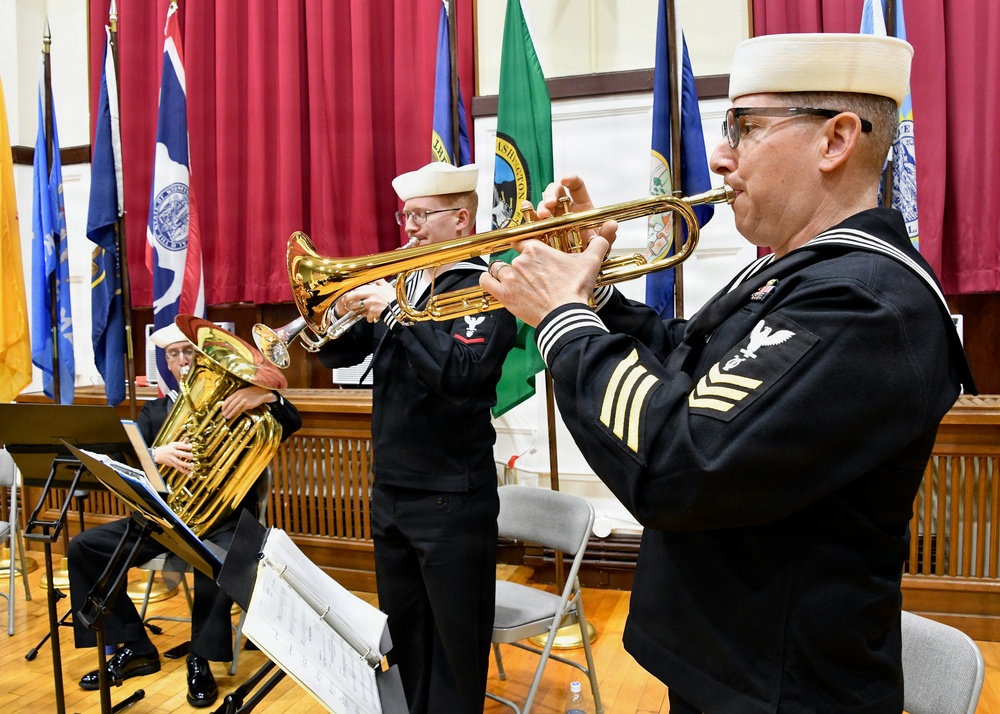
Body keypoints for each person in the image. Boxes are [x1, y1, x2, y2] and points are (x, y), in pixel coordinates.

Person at [479, 33, 976, 713]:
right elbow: (687, 361)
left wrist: (563, 319)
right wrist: (591, 291)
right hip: (731, 670)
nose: (720, 155)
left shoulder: (863, 302)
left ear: (835, 140)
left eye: (744, 127)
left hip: (784, 691)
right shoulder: (799, 273)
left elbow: (682, 459)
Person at [316, 161, 517, 714]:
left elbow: (460, 375)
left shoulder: (486, 288)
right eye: (406, 216)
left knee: (453, 648)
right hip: (392, 491)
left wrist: (396, 316)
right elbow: (335, 354)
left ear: (461, 220)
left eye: (422, 216)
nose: (410, 227)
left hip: (451, 495)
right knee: (405, 637)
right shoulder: (405, 285)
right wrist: (334, 311)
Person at [69, 321, 301, 708]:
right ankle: (135, 647)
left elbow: (292, 421)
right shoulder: (154, 411)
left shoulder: (238, 404)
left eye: (189, 352)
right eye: (173, 355)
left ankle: (200, 657)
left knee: (216, 557)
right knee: (83, 548)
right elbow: (122, 462)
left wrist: (265, 395)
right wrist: (154, 455)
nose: (182, 361)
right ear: (167, 363)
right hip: (163, 518)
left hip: (223, 521)